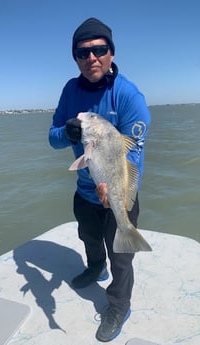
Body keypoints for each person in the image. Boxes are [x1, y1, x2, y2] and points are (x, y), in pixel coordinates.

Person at [48, 17, 151, 342]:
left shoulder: (129, 96)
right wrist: (67, 132)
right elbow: (53, 138)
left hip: (118, 192)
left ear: (111, 53)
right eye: (82, 52)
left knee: (122, 257)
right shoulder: (70, 90)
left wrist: (113, 186)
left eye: (99, 49)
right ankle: (95, 267)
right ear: (76, 57)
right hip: (85, 192)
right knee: (89, 239)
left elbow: (133, 154)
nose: (91, 58)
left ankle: (118, 306)